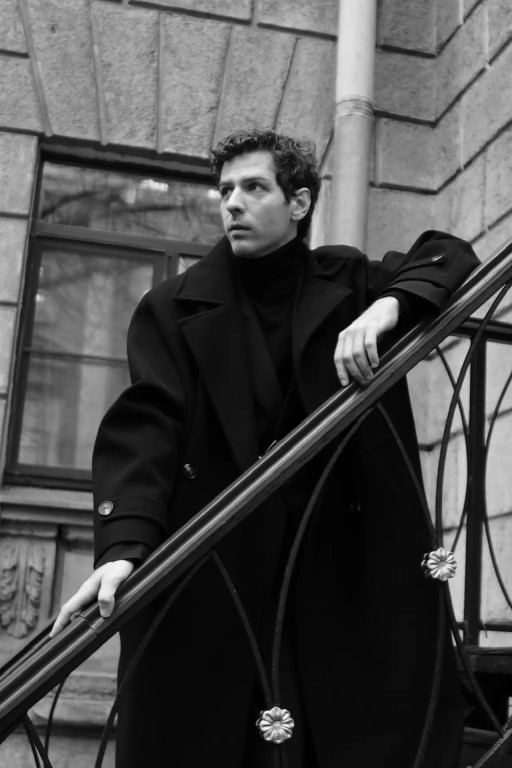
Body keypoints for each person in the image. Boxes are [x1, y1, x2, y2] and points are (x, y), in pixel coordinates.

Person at [52, 129, 479, 768]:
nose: (232, 203)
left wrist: (388, 306)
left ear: (298, 202)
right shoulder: (171, 307)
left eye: (254, 187)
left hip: (341, 570)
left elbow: (451, 255)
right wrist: (123, 548)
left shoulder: (351, 281)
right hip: (219, 570)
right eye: (225, 190)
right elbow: (146, 428)